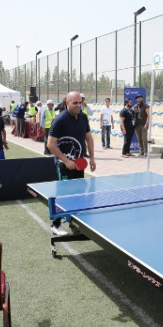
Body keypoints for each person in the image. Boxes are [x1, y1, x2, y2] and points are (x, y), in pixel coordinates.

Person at [47, 91, 96, 235]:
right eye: (75, 102)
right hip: (64, 165)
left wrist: (92, 158)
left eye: (80, 102)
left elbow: (89, 138)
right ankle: (55, 225)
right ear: (67, 103)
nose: (78, 105)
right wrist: (66, 161)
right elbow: (51, 144)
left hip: (79, 163)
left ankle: (75, 224)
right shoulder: (60, 120)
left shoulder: (83, 117)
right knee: (64, 195)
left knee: (78, 195)